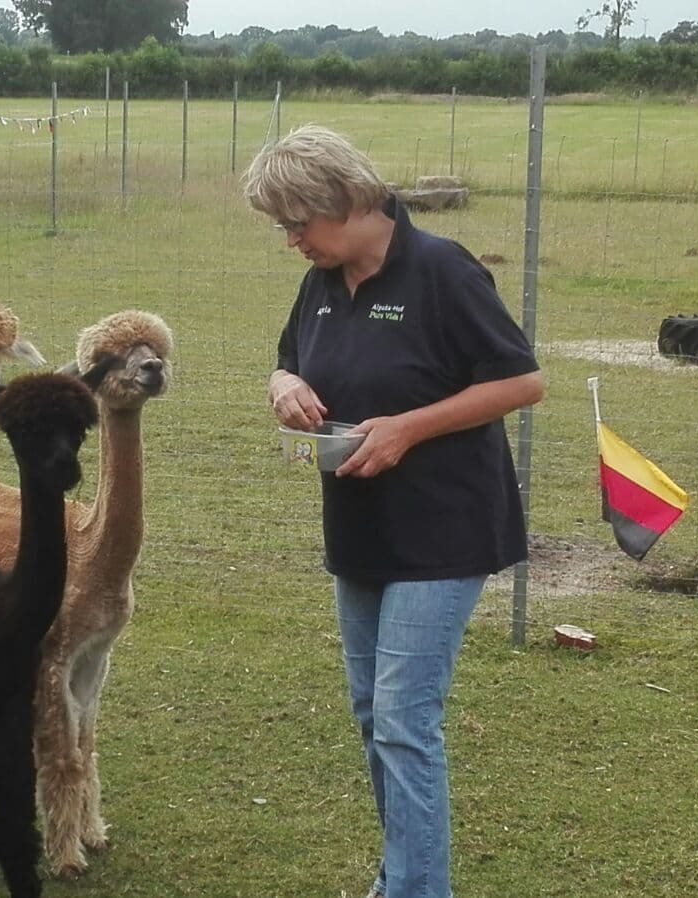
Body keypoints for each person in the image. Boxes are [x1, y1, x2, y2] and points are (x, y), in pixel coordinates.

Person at [244, 124, 544, 898]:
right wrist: (282, 386)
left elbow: (520, 382)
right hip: (359, 530)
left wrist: (411, 427)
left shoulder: (443, 271)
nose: (290, 241)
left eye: (296, 224)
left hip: (444, 531)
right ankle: (402, 876)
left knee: (405, 721)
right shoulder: (322, 281)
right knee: (373, 711)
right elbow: (288, 357)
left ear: (341, 201)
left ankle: (417, 890)